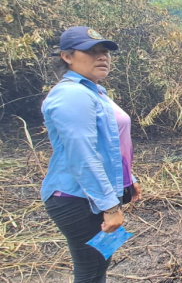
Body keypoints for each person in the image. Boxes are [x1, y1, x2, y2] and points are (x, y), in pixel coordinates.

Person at [41, 26, 141, 283]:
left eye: (105, 51)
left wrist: (128, 178)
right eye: (91, 51)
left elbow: (108, 144)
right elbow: (83, 155)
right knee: (91, 269)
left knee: (99, 264)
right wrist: (109, 206)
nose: (102, 57)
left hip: (94, 195)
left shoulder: (95, 92)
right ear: (67, 56)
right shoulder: (71, 94)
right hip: (77, 198)